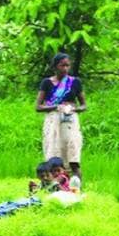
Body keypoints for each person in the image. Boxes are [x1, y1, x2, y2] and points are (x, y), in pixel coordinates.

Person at [35, 52, 86, 181]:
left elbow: (84, 105)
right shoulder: (47, 83)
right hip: (53, 122)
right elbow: (38, 107)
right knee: (54, 155)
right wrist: (56, 107)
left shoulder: (75, 82)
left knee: (72, 155)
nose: (65, 69)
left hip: (70, 122)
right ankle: (54, 187)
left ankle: (75, 188)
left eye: (67, 66)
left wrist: (73, 109)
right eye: (62, 66)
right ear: (55, 67)